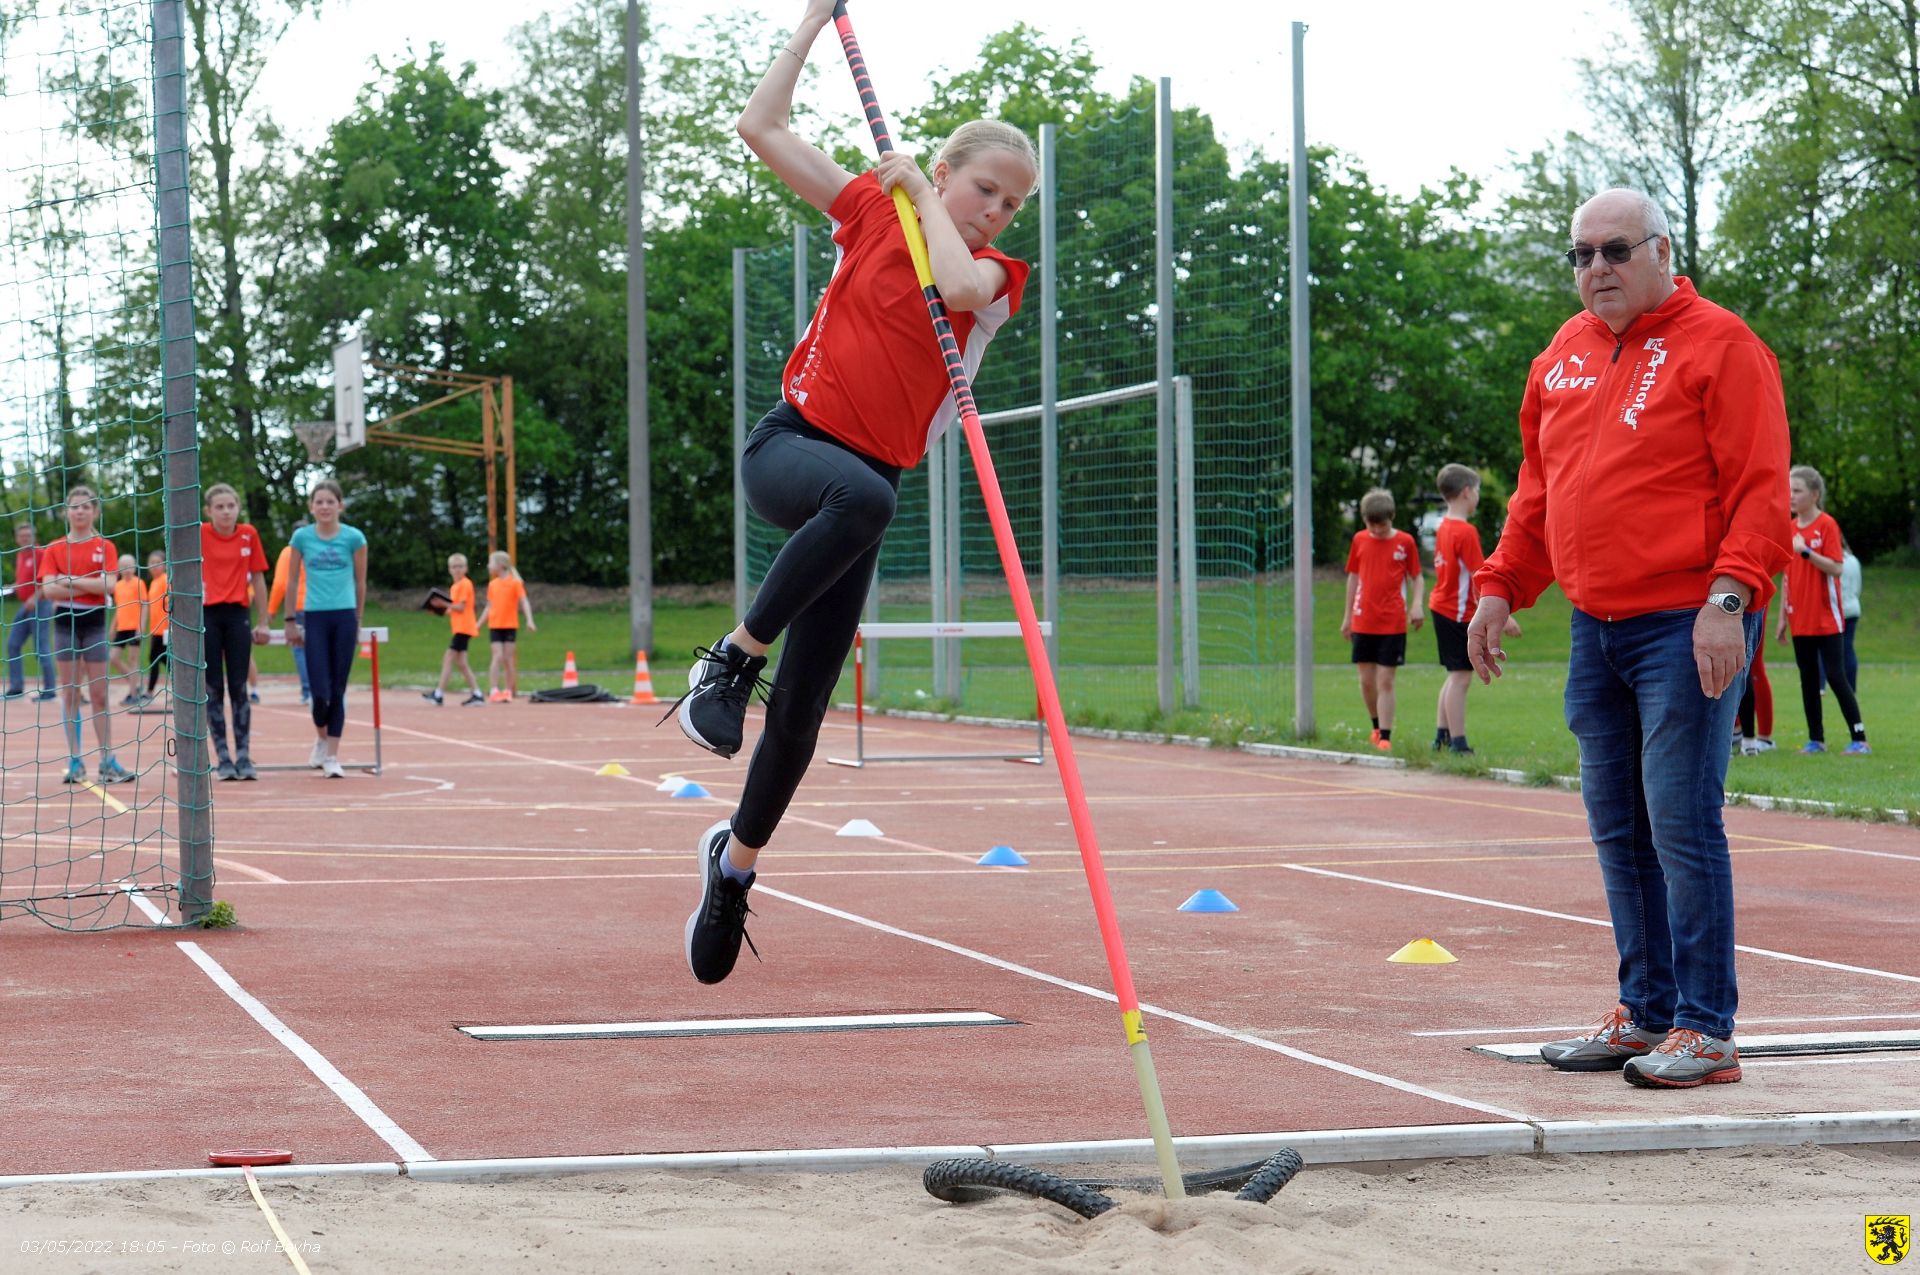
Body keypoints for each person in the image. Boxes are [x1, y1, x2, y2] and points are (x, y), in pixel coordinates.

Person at [664, 1, 1034, 987]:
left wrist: (921, 196)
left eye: (1010, 204)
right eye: (984, 188)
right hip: (793, 447)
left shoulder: (996, 273)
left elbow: (956, 288)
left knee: (805, 710)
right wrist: (808, 28)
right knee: (866, 502)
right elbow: (760, 127)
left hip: (867, 487)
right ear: (947, 170)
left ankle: (734, 865)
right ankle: (730, 661)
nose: (995, 211)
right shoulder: (872, 210)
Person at [1467, 189, 1791, 1089]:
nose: (1596, 268)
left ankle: (1706, 1028)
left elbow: (1760, 486)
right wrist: (1499, 586)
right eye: (1580, 254)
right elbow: (1537, 493)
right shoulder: (1561, 355)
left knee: (1681, 820)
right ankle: (1644, 1009)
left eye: (1615, 249)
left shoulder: (1723, 344)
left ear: (1662, 252)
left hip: (1687, 620)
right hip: (1595, 626)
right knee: (1619, 826)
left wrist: (1728, 599)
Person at [38, 486, 133, 784]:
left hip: (94, 624)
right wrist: (87, 584)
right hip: (65, 623)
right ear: (66, 511)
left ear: (95, 511)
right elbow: (48, 590)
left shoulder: (106, 547)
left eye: (86, 506)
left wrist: (68, 580)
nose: (80, 511)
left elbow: (108, 586)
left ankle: (107, 761)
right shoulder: (54, 549)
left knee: (99, 694)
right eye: (74, 506)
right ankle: (75, 761)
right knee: (70, 693)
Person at [1776, 465, 1868, 755]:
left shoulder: (1827, 525)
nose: (1791, 496)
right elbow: (1788, 576)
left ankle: (1859, 738)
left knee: (1836, 677)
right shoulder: (1789, 528)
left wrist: (1807, 552)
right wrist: (1782, 617)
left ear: (1814, 494)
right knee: (1808, 680)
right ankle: (1816, 739)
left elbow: (1837, 568)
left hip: (1827, 618)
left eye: (1797, 490)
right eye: (1789, 490)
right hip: (1800, 618)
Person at [1427, 464, 1517, 755]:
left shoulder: (1444, 525)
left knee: (1454, 674)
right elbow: (1480, 576)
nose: (1477, 496)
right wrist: (1504, 616)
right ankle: (1458, 743)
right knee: (1461, 677)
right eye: (1477, 490)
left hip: (1441, 607)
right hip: (1456, 611)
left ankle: (1441, 736)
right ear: (1466, 492)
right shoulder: (1465, 531)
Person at [281, 479, 368, 780]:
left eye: (330, 501)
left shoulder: (354, 538)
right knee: (320, 692)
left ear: (340, 505)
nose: (325, 507)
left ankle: (332, 755)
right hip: (314, 616)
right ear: (311, 507)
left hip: (344, 616)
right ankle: (321, 737)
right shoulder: (301, 538)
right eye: (319, 502)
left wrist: (358, 618)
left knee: (337, 690)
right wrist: (289, 620)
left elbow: (360, 581)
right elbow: (292, 580)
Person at [1341, 488, 1423, 752]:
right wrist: (1347, 617)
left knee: (1385, 680)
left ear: (1392, 517)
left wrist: (1417, 605)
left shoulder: (1405, 542)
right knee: (1366, 681)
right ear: (1365, 521)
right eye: (1371, 525)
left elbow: (1417, 577)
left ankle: (1386, 736)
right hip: (1363, 620)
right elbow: (1353, 577)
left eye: (1382, 525)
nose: (1377, 530)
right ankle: (1376, 726)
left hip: (1392, 622)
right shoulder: (1359, 540)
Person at [199, 483, 270, 781]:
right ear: (209, 511)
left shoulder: (248, 534)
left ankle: (243, 754)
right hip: (208, 614)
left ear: (238, 508)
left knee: (239, 686)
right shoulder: (199, 534)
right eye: (220, 507)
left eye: (231, 506)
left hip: (238, 613)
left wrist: (263, 621)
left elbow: (258, 577)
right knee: (213, 687)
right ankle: (223, 757)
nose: (226, 512)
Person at [424, 552, 485, 706]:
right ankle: (477, 694)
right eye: (454, 567)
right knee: (462, 663)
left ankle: (438, 694)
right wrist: (436, 609)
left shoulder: (465, 584)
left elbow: (460, 607)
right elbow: (452, 609)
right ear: (449, 569)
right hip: (460, 627)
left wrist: (443, 604)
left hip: (464, 627)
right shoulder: (455, 586)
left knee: (448, 658)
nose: (457, 570)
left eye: (460, 566)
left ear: (466, 568)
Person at [5, 521, 56, 701]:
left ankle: (50, 690)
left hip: (41, 604)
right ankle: (16, 687)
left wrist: (35, 597)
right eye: (22, 536)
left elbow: (50, 579)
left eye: (28, 535)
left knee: (41, 647)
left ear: (34, 537)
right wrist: (12, 587)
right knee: (13, 644)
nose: (25, 538)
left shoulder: (41, 553)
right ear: (17, 538)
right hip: (25, 605)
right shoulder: (20, 555)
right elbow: (24, 580)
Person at [475, 551, 533, 702]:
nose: (488, 566)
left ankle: (508, 690)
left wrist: (529, 620)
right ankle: (494, 689)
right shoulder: (493, 585)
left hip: (510, 625)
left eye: (491, 563)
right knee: (497, 656)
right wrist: (478, 624)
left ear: (500, 565)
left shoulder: (515, 583)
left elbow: (524, 601)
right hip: (495, 625)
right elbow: (489, 607)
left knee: (508, 658)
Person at [267, 520, 312, 704]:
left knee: (300, 649)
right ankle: (321, 689)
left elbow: (279, 583)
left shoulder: (288, 552)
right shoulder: (316, 549)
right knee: (318, 648)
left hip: (298, 606)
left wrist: (271, 610)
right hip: (318, 604)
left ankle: (308, 691)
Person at [109, 554, 147, 706]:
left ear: (135, 567)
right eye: (123, 566)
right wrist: (112, 627)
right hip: (121, 628)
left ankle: (133, 695)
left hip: (134, 627)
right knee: (113, 658)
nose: (126, 569)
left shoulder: (139, 583)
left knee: (133, 660)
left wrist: (141, 627)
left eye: (129, 565)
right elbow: (119, 608)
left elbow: (144, 606)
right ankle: (134, 684)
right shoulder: (117, 586)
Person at [143, 550, 169, 702]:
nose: (154, 566)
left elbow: (170, 603)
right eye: (152, 562)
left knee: (159, 659)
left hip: (165, 629)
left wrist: (169, 627)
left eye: (158, 563)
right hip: (156, 629)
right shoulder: (153, 583)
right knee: (159, 659)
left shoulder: (165, 580)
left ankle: (149, 691)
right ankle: (150, 691)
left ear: (164, 565)